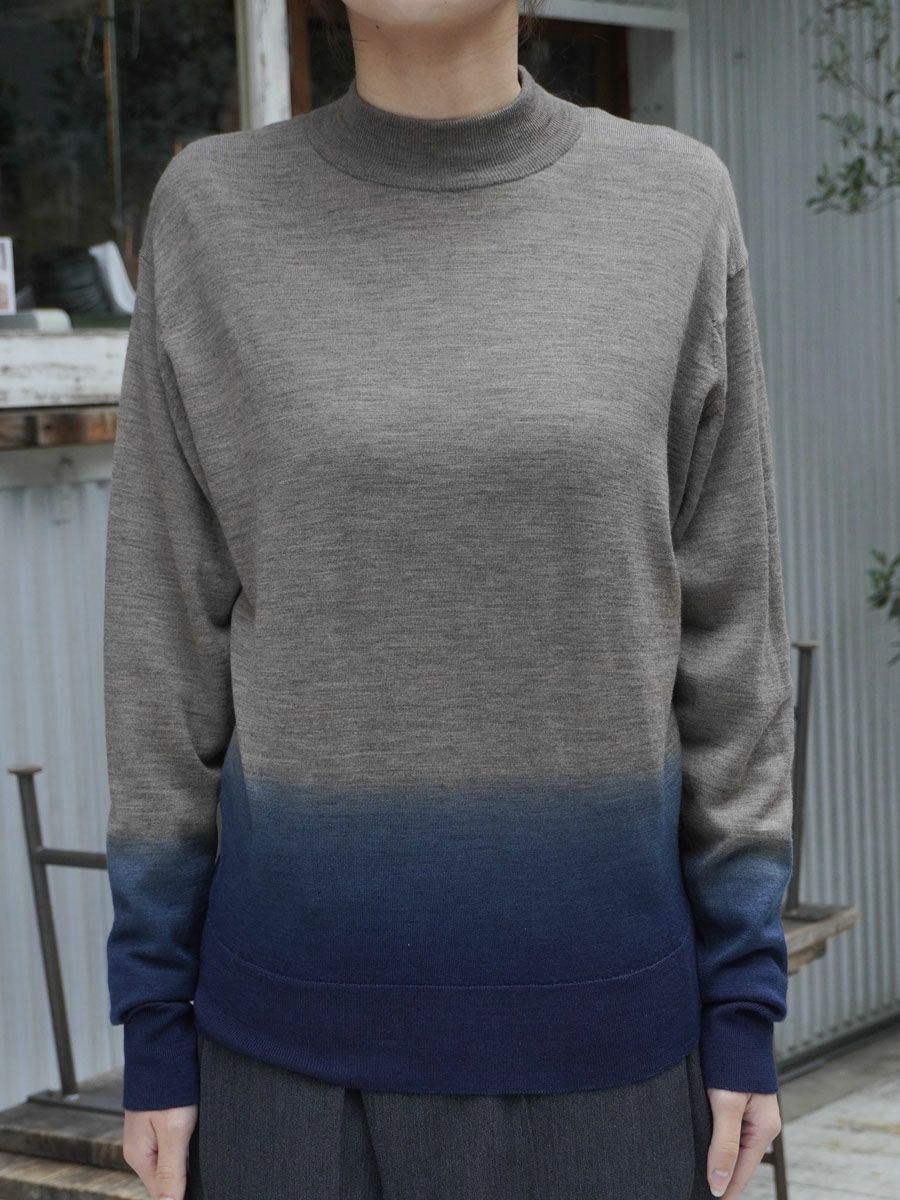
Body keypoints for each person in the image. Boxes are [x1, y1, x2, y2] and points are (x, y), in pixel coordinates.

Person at [101, 0, 795, 1196]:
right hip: (290, 1070)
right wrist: (153, 1022)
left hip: (609, 1060)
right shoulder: (213, 213)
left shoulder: (674, 204)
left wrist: (744, 999)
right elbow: (163, 643)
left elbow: (732, 635)